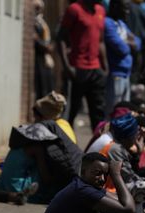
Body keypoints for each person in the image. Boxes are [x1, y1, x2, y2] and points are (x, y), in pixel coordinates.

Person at [0, 99, 83, 204]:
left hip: (3, 184)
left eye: (35, 117)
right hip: (17, 187)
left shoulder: (24, 137)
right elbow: (46, 177)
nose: (34, 120)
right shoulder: (38, 146)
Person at [57, 0, 109, 131]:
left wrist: (105, 66)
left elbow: (100, 40)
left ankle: (98, 149)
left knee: (98, 116)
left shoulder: (101, 10)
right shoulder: (74, 9)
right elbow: (60, 38)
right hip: (77, 69)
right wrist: (67, 66)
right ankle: (65, 147)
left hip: (96, 70)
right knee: (70, 113)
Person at [104, 0, 141, 115]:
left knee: (124, 112)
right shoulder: (107, 23)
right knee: (113, 112)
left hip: (126, 74)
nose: (128, 12)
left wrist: (127, 42)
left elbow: (138, 43)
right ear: (115, 6)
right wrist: (129, 42)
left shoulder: (121, 24)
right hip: (115, 74)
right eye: (125, 8)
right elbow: (121, 49)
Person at [33, 0, 55, 100]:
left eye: (39, 8)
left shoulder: (41, 22)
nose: (38, 10)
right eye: (36, 8)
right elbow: (35, 39)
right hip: (39, 59)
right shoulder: (34, 23)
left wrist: (49, 46)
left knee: (48, 87)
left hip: (45, 59)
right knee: (41, 88)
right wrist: (45, 47)